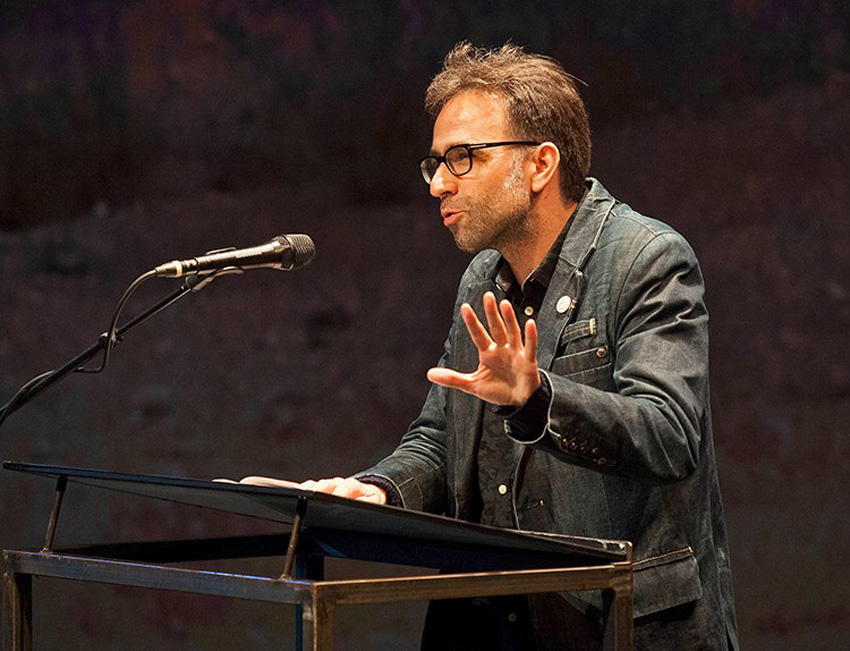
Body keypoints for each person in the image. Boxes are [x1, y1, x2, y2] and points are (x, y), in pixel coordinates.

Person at [241, 42, 738, 650]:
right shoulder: (483, 277)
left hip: (616, 623)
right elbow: (441, 440)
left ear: (540, 165)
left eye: (463, 158)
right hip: (490, 624)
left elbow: (669, 434)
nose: (438, 184)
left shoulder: (645, 259)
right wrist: (375, 490)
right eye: (434, 164)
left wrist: (538, 397)